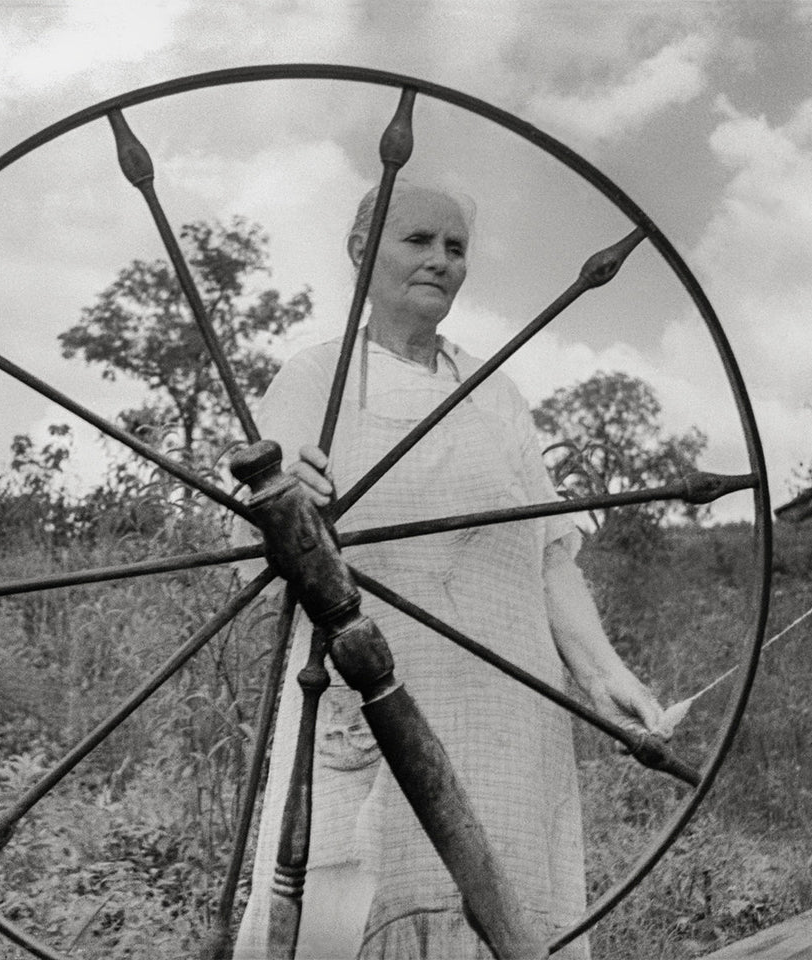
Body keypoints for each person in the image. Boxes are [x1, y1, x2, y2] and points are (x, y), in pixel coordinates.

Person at [233, 182, 671, 959]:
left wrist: (606, 674)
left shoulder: (494, 395)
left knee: (503, 918)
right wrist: (288, 503)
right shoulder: (316, 381)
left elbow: (546, 557)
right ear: (362, 250)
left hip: (505, 721)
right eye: (418, 241)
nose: (440, 260)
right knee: (353, 912)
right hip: (367, 721)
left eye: (456, 247)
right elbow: (255, 558)